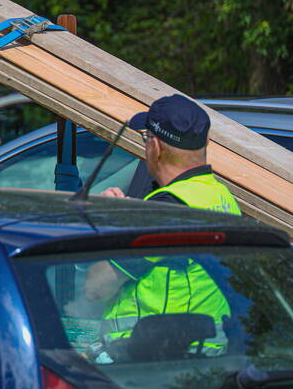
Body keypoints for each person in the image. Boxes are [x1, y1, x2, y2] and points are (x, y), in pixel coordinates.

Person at [83, 94, 239, 361]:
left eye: (145, 139)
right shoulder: (223, 198)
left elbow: (96, 289)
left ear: (154, 146)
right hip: (208, 355)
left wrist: (110, 225)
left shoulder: (162, 211)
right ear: (206, 143)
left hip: (149, 360)